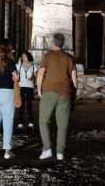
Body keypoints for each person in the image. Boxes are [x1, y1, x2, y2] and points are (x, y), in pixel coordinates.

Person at [36, 33, 77, 161]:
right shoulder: (69, 57)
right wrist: (74, 94)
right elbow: (75, 78)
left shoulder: (48, 56)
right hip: (65, 93)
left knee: (44, 121)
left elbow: (40, 74)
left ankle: (47, 149)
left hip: (49, 91)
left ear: (53, 43)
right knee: (62, 124)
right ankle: (60, 152)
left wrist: (38, 90)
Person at [17, 51, 37, 130]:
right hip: (21, 86)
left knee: (29, 104)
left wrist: (33, 78)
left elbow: (36, 75)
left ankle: (30, 122)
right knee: (20, 104)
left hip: (30, 86)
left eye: (24, 56)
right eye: (22, 56)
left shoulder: (33, 65)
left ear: (28, 56)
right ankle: (20, 122)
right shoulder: (19, 65)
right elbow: (15, 73)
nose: (23, 58)